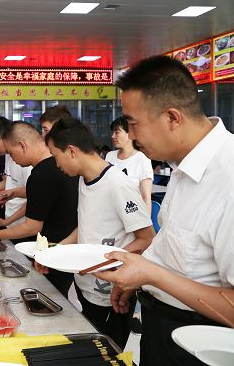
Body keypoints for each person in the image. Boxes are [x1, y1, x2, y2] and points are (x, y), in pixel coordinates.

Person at [94, 55, 234, 366]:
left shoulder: (228, 179)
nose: (130, 136)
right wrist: (140, 274)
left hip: (200, 344)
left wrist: (151, 274)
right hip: (160, 327)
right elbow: (180, 253)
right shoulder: (183, 166)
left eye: (133, 124)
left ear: (172, 118)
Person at [43, 117, 155, 348]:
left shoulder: (117, 184)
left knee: (108, 352)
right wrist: (54, 251)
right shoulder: (84, 179)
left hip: (112, 292)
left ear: (72, 151)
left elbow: (147, 238)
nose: (56, 164)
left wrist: (105, 261)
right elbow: (86, 225)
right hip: (85, 284)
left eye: (55, 156)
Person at [0, 121, 78, 297]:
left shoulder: (41, 174)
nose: (12, 159)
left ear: (22, 145)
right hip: (68, 245)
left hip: (54, 251)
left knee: (53, 297)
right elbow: (46, 196)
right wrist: (16, 192)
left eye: (11, 153)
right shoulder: (57, 165)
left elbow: (31, 227)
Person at [105, 116, 153, 212]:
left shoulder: (142, 159)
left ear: (130, 134)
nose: (113, 136)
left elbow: (146, 197)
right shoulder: (110, 156)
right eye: (112, 132)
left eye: (117, 132)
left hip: (132, 214)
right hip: (110, 213)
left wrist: (146, 220)